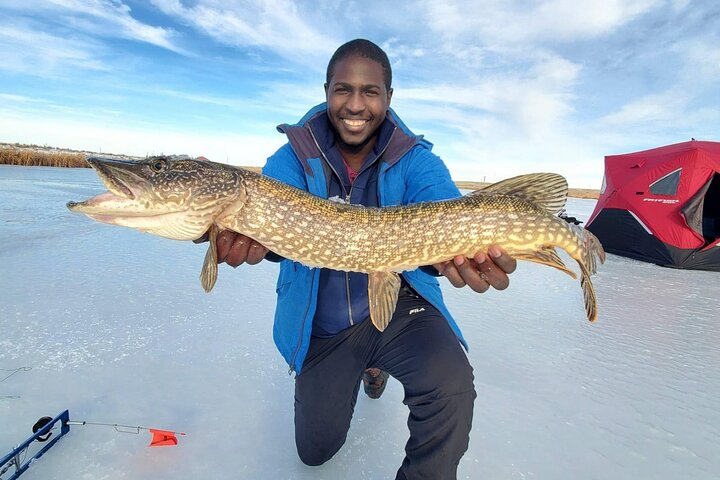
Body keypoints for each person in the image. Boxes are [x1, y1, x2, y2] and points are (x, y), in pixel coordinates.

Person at [211, 39, 516, 479]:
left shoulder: (417, 162)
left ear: (388, 98)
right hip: (326, 322)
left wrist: (455, 256)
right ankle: (363, 366)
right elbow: (273, 233)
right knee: (314, 451)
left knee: (451, 390)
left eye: (370, 91)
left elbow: (446, 213)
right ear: (326, 90)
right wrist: (255, 241)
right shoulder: (291, 158)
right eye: (343, 89)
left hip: (401, 311)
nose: (355, 104)